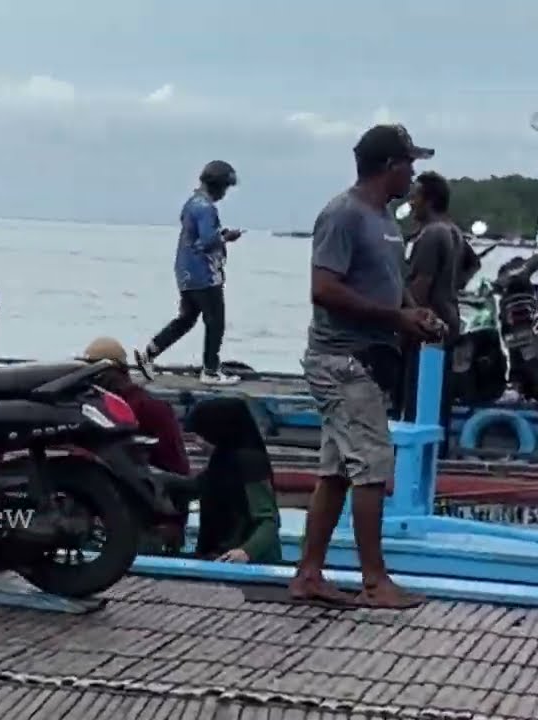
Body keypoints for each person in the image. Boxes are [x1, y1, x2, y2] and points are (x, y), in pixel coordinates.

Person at [293, 124, 443, 609]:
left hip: (368, 360)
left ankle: (309, 574)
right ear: (389, 166)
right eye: (409, 163)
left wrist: (415, 315)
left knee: (337, 469)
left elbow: (389, 285)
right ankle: (375, 581)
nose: (413, 174)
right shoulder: (343, 214)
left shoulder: (385, 220)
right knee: (372, 468)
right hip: (342, 361)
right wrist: (395, 318)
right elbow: (323, 288)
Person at [137, 161, 244, 386]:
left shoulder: (191, 203)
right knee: (215, 321)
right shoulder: (206, 208)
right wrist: (227, 237)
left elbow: (196, 235)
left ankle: (150, 352)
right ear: (218, 185)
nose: (225, 193)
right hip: (204, 274)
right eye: (225, 188)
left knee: (186, 319)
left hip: (185, 272)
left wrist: (219, 233)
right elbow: (207, 241)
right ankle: (211, 371)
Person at [80, 337, 190, 553]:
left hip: (149, 521)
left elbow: (177, 469)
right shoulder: (93, 408)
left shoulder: (150, 409)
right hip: (106, 514)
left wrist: (172, 524)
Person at [179, 397, 282, 564]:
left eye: (203, 435)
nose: (198, 443)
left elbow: (268, 520)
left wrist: (247, 551)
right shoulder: (220, 462)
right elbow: (194, 486)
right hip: (219, 556)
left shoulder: (250, 463)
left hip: (250, 562)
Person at [400, 171, 462, 427]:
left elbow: (419, 287)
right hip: (448, 322)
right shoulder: (453, 231)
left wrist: (401, 324)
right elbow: (470, 266)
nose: (411, 202)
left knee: (417, 403)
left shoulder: (431, 235)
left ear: (430, 200)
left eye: (416, 196)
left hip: (427, 331)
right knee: (438, 403)